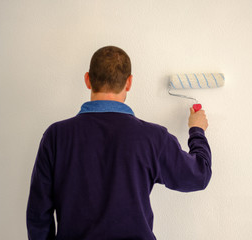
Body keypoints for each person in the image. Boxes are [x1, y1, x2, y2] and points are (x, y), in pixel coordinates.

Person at [26, 46, 212, 240]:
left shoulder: (56, 136)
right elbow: (199, 175)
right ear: (129, 82)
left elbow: (38, 214)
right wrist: (197, 131)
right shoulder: (153, 138)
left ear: (87, 79)